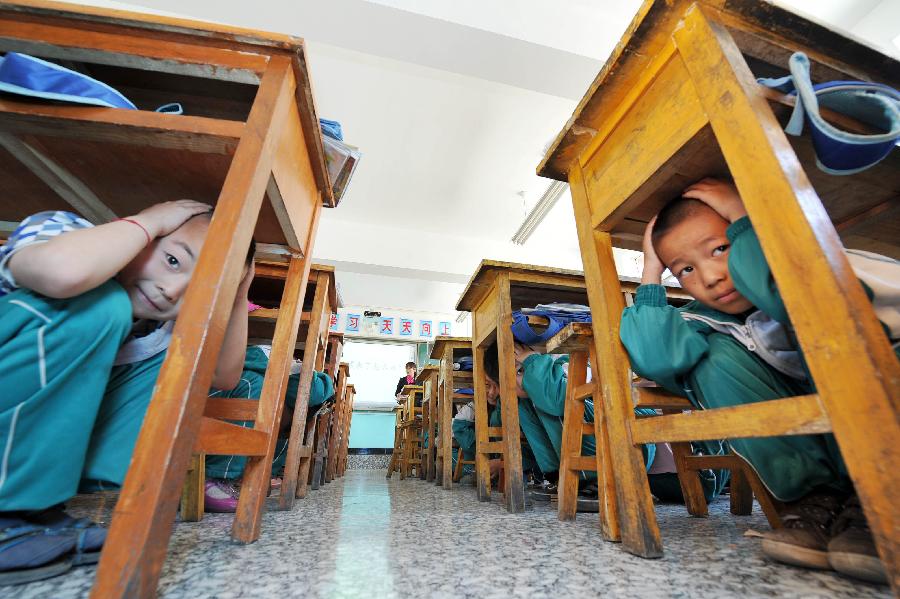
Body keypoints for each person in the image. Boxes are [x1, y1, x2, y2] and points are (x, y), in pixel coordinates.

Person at [621, 177, 895, 584]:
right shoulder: (707, 319)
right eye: (687, 270)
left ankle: (881, 502)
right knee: (711, 360)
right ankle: (819, 503)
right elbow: (656, 358)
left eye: (721, 248)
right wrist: (650, 273)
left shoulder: (817, 268)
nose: (711, 276)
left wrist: (746, 218)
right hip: (822, 458)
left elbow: (782, 286)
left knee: (816, 319)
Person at [0, 202, 254, 584]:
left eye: (199, 288)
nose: (172, 290)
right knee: (103, 305)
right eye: (172, 260)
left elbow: (224, 375)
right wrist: (150, 221)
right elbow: (64, 274)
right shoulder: (65, 233)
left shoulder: (156, 326)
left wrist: (236, 294)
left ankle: (34, 513)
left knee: (175, 355)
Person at [203, 346, 335, 512]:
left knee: (287, 410)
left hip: (219, 382)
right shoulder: (269, 359)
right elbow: (314, 392)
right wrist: (322, 380)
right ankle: (218, 477)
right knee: (260, 390)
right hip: (211, 388)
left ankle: (253, 473)